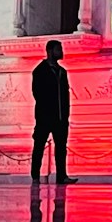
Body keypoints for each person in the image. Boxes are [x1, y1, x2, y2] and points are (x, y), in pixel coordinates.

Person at [30, 37, 71, 183]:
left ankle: (62, 176)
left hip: (61, 117)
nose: (61, 52)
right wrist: (46, 111)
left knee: (61, 148)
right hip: (45, 117)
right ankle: (35, 175)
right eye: (58, 49)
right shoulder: (40, 71)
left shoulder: (62, 72)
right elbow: (37, 93)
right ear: (50, 51)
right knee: (39, 146)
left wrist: (65, 115)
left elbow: (66, 95)